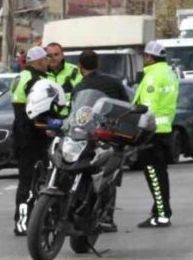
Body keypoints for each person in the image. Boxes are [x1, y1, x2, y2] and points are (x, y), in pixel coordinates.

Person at [73, 49, 129, 232]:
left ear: (80, 66)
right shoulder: (113, 83)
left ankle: (81, 211)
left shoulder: (79, 87)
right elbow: (127, 107)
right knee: (109, 177)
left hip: (84, 136)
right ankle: (106, 217)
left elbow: (72, 113)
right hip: (109, 136)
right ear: (98, 63)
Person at [133, 40, 179, 228]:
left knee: (153, 174)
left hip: (151, 132)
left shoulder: (152, 76)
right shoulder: (169, 72)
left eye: (144, 56)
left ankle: (162, 214)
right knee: (160, 174)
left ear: (150, 57)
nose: (143, 59)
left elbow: (148, 108)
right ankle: (159, 211)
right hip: (164, 129)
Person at [10, 46, 52, 236]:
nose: (48, 62)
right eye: (46, 59)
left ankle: (31, 220)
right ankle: (23, 223)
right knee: (31, 181)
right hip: (33, 136)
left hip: (23, 133)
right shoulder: (37, 80)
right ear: (39, 61)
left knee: (30, 180)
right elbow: (38, 111)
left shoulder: (21, 76)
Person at [45, 43, 83, 114]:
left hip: (69, 118)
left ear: (62, 55)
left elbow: (82, 94)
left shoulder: (74, 71)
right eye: (49, 55)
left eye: (56, 54)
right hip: (47, 120)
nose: (53, 58)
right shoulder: (42, 73)